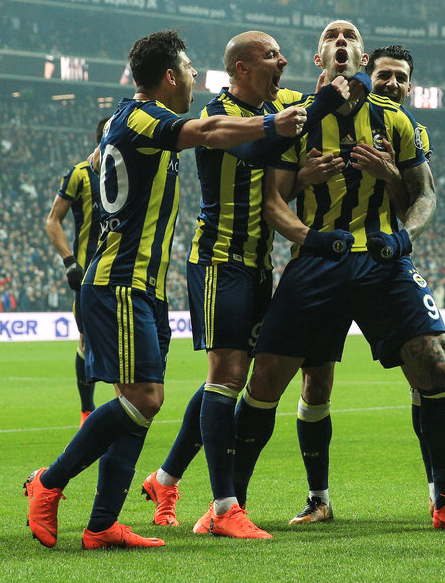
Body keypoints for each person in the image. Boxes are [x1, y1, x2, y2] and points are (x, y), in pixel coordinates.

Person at [23, 29, 308, 550]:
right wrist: (272, 122)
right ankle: (49, 481)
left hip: (146, 287)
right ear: (171, 77)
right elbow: (210, 131)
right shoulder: (143, 117)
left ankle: (102, 524)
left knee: (139, 405)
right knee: (144, 400)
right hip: (120, 282)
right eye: (190, 69)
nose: (197, 77)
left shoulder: (127, 120)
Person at [231, 21, 445, 534]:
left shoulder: (396, 119)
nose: (341, 41)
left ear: (361, 56)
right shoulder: (299, 120)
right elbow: (272, 201)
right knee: (266, 379)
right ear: (320, 57)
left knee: (434, 361)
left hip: (382, 259)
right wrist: (311, 237)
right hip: (317, 261)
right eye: (332, 36)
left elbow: (424, 194)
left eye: (350, 36)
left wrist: (404, 237)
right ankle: (231, 506)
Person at [140, 30, 360, 538]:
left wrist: (343, 74)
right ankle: (225, 507)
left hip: (261, 266)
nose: (283, 62)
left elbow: (342, 90)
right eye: (271, 55)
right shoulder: (218, 113)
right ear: (242, 68)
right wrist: (317, 108)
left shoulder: (281, 102)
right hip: (220, 261)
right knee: (228, 374)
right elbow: (260, 148)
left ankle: (165, 478)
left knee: (230, 377)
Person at [45, 118, 106, 427]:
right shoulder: (80, 174)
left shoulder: (132, 173)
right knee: (86, 339)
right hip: (88, 275)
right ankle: (87, 411)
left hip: (123, 272)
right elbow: (53, 220)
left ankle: (127, 410)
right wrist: (70, 261)